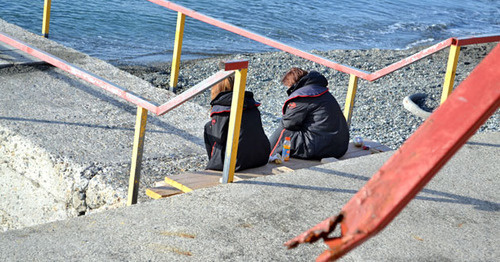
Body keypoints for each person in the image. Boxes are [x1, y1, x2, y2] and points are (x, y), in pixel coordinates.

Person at [269, 67, 349, 160]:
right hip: (340, 147)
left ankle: (267, 155)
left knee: (283, 131)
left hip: (321, 148)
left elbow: (288, 124)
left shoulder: (303, 95)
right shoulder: (322, 91)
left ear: (293, 84)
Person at [204, 75, 270, 171]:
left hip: (237, 162)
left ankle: (214, 163)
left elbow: (219, 138)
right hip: (261, 157)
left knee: (209, 127)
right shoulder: (250, 103)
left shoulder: (222, 108)